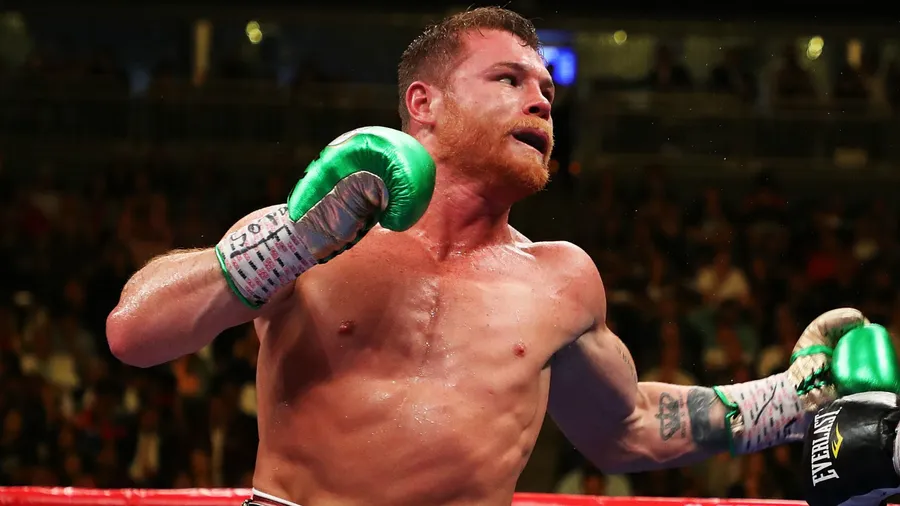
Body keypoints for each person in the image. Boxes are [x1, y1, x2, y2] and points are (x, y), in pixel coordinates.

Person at [107, 7, 876, 506]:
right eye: (508, 80)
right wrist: (295, 239)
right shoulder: (317, 233)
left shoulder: (562, 280)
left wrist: (790, 399)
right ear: (424, 105)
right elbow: (133, 332)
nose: (540, 100)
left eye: (546, 91)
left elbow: (629, 425)